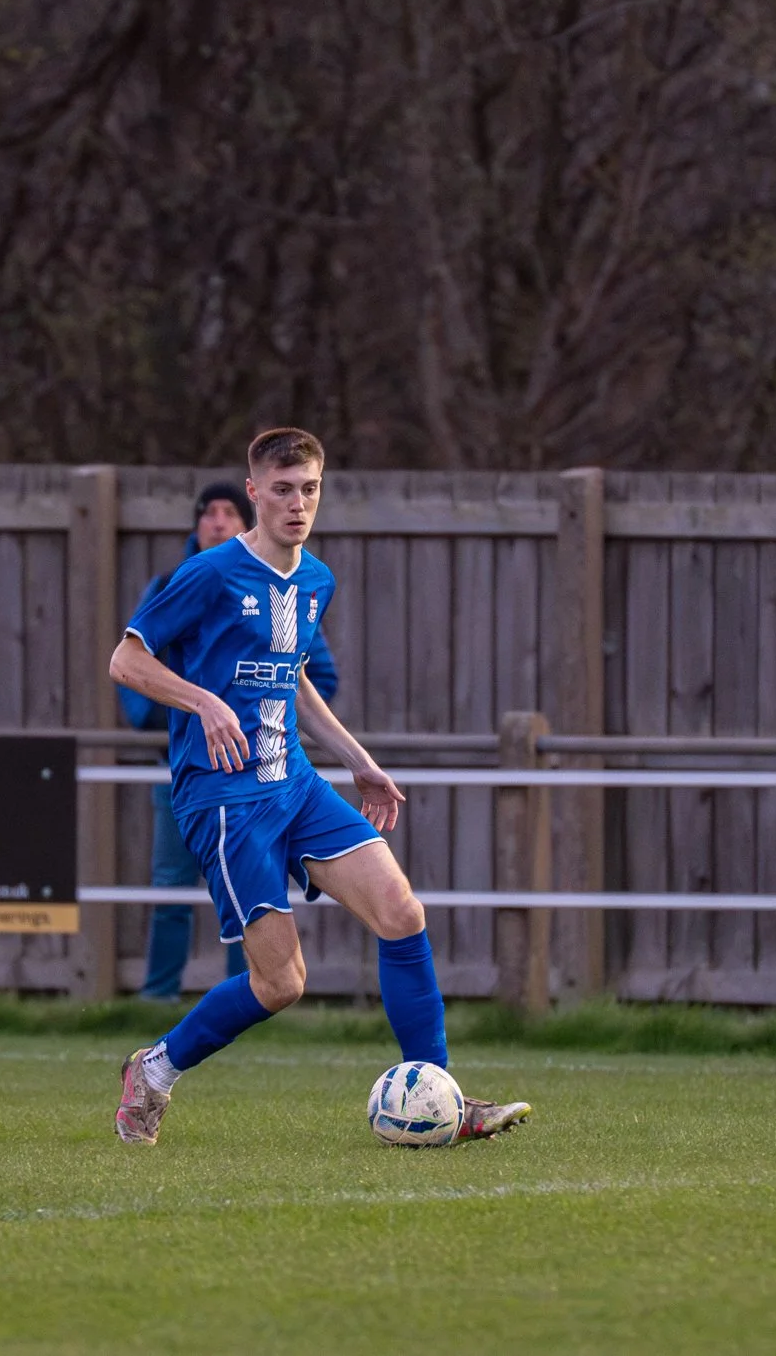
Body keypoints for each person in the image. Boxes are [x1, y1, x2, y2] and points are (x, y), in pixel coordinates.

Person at [107, 426, 531, 1146]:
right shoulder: (210, 573)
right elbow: (126, 660)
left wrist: (356, 756)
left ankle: (439, 1097)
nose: (297, 503)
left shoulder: (314, 580)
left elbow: (292, 675)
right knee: (282, 983)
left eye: (308, 489)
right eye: (281, 490)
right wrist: (203, 701)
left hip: (295, 783)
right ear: (252, 494)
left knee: (400, 910)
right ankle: (154, 1069)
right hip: (226, 798)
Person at [121, 483, 338, 999]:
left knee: (260, 906)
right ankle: (158, 996)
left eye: (227, 513)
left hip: (270, 774)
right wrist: (186, 712)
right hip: (193, 770)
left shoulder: (301, 584)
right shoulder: (182, 580)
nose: (217, 522)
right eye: (208, 513)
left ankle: (246, 994)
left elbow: (310, 675)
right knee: (171, 886)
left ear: (247, 518)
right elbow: (132, 663)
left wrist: (276, 713)